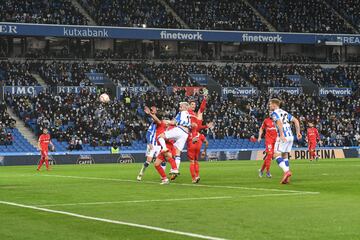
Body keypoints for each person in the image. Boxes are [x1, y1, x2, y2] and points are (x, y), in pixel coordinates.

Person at [269, 98, 302, 184]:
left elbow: (279, 123)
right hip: (291, 136)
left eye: (270, 104)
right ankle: (287, 177)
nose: (269, 106)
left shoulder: (274, 113)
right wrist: (298, 133)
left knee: (275, 154)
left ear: (274, 105)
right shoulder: (285, 112)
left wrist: (281, 134)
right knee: (285, 155)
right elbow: (296, 121)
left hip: (283, 136)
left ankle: (286, 171)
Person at [157, 102, 191, 172]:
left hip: (180, 129)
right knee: (177, 152)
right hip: (185, 133)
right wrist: (169, 122)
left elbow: (173, 122)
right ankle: (175, 169)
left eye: (181, 106)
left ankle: (164, 148)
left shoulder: (182, 113)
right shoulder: (188, 114)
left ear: (185, 107)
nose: (180, 106)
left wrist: (166, 121)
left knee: (160, 136)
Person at [137, 106, 162, 181]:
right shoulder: (152, 125)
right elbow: (147, 134)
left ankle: (162, 176)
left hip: (159, 145)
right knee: (148, 161)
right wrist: (149, 143)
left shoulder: (160, 122)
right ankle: (141, 173)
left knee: (161, 161)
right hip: (152, 145)